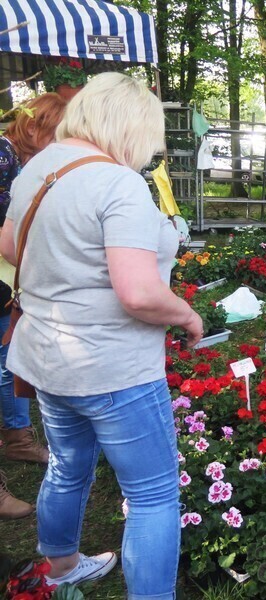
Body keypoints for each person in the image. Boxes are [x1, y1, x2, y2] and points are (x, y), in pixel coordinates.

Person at [0, 73, 203, 596]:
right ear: (131, 125)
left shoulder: (37, 168)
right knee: (154, 493)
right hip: (112, 367)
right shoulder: (117, 183)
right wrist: (185, 315)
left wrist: (63, 276)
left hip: (48, 359)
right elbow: (138, 293)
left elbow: (8, 244)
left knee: (68, 468)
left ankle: (62, 567)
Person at [0, 92, 67, 520]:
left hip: (6, 277)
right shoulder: (4, 158)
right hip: (4, 270)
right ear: (34, 127)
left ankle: (17, 438)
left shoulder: (16, 159)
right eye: (56, 134)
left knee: (8, 357)